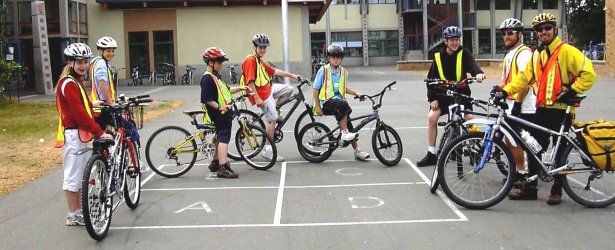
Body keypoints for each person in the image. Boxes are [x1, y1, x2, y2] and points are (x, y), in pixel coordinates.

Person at [495, 13, 596, 205]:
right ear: (536, 33)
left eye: (547, 28)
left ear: (554, 30)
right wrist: (504, 91)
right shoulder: (538, 55)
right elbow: (523, 78)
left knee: (559, 152)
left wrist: (573, 90)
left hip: (561, 109)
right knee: (534, 148)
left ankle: (557, 191)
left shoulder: (567, 51)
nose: (543, 32)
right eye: (540, 30)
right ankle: (530, 188)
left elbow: (589, 73)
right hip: (542, 108)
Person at [54, 43, 113, 226]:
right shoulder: (69, 83)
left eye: (85, 62)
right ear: (70, 63)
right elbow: (79, 114)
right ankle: (72, 214)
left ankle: (78, 211)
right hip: (73, 135)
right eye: (79, 62)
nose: (83, 65)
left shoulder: (74, 81)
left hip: (77, 135)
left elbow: (84, 104)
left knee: (79, 175)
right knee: (72, 176)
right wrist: (99, 132)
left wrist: (97, 104)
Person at [417, 26, 486, 167]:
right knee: (431, 118)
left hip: (461, 95)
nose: (455, 42)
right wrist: (432, 99)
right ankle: (431, 154)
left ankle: (473, 151)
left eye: (457, 39)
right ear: (445, 41)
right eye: (452, 40)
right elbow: (430, 80)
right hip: (443, 96)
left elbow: (473, 66)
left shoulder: (464, 53)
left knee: (470, 119)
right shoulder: (438, 57)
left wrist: (478, 73)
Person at [490, 18, 538, 200]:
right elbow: (509, 80)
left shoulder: (524, 53)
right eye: (504, 33)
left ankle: (525, 173)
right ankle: (521, 172)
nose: (506, 36)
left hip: (525, 105)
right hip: (512, 103)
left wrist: (517, 104)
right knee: (510, 140)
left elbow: (524, 82)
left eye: (510, 33)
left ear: (520, 34)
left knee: (522, 141)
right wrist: (499, 88)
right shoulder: (510, 54)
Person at [241, 34, 303, 162]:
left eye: (264, 47)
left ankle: (274, 111)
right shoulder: (250, 60)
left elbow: (274, 71)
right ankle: (267, 150)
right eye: (260, 47)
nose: (263, 50)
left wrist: (293, 76)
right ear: (254, 46)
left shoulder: (260, 60)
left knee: (289, 90)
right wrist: (257, 99)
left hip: (267, 88)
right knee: (273, 119)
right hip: (260, 94)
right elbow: (250, 82)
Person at [312, 44, 370, 161]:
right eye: (333, 57)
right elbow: (315, 89)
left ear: (341, 58)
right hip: (326, 102)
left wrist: (356, 93)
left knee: (350, 126)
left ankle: (357, 151)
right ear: (329, 57)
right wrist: (318, 106)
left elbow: (344, 88)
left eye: (338, 57)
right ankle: (344, 133)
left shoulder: (343, 72)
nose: (336, 59)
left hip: (339, 104)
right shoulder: (323, 70)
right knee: (344, 106)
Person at [201, 47, 247, 178]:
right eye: (219, 62)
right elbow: (207, 99)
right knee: (224, 138)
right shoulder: (207, 79)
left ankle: (215, 162)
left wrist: (241, 88)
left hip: (223, 111)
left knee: (219, 136)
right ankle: (223, 167)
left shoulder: (215, 77)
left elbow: (226, 90)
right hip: (218, 113)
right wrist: (220, 107)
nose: (221, 65)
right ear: (211, 63)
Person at [90, 36, 118, 130]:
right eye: (108, 51)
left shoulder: (101, 63)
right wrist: (110, 102)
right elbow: (102, 84)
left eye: (113, 51)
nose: (111, 53)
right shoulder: (101, 63)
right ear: (101, 52)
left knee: (105, 133)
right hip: (102, 105)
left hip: (102, 104)